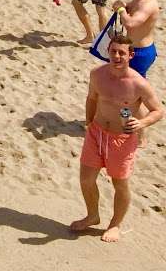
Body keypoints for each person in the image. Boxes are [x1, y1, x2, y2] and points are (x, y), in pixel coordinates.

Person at [70, 35, 164, 243]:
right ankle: (92, 215)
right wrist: (88, 122)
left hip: (122, 139)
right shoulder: (97, 74)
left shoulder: (138, 84)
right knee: (86, 179)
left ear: (130, 55)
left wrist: (142, 124)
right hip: (96, 133)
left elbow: (158, 110)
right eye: (113, 51)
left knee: (119, 184)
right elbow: (91, 98)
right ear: (108, 52)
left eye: (122, 52)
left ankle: (115, 225)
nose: (117, 56)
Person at [111, 0, 160, 79]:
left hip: (140, 52)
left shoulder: (148, 4)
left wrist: (121, 10)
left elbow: (130, 24)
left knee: (133, 86)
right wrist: (122, 5)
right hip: (133, 49)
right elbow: (130, 7)